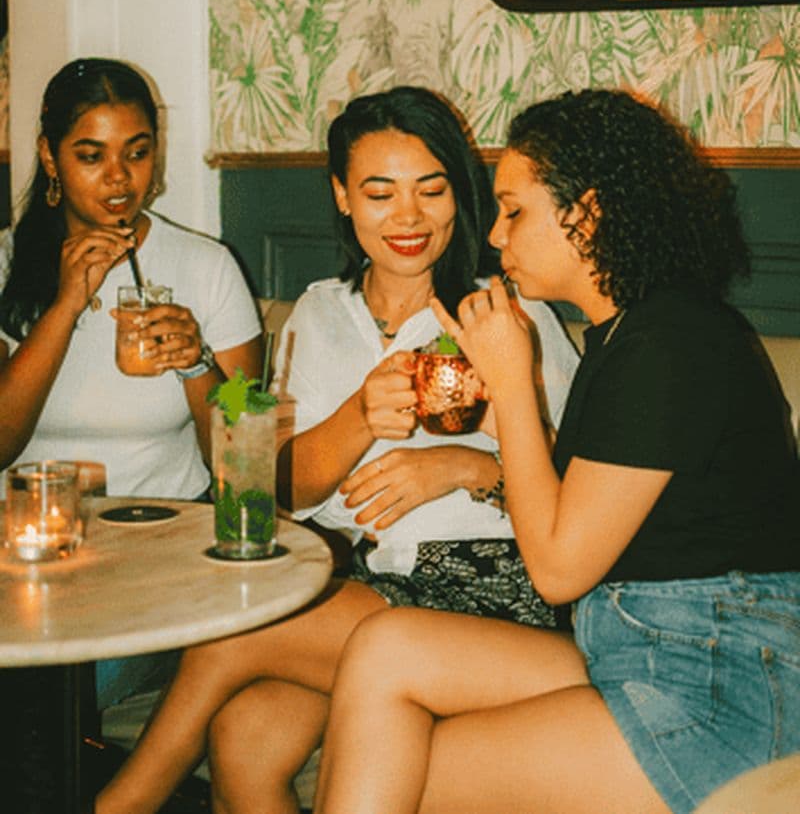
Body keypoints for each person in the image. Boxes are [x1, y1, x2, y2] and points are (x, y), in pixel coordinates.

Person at [313, 88, 800, 814]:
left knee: (414, 775)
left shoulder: (671, 342)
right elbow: (571, 502)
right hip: (634, 645)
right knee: (387, 644)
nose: (497, 237)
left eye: (515, 212)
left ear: (588, 213)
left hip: (721, 679)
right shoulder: (629, 329)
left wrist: (513, 382)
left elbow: (558, 571)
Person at [96, 85, 579, 814]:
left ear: (461, 194)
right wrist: (358, 415)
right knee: (243, 739)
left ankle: (115, 806)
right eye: (380, 193)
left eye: (432, 189)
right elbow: (286, 489)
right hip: (366, 583)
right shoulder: (321, 311)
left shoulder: (509, 309)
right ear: (343, 198)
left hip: (490, 590)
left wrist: (465, 465)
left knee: (237, 628)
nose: (409, 217)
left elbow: (583, 495)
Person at [0, 57, 264, 706]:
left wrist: (199, 362)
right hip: (28, 554)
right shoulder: (8, 261)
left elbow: (245, 452)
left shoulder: (206, 267)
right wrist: (64, 306)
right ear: (50, 157)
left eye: (137, 152)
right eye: (91, 155)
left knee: (71, 692)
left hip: (160, 548)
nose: (119, 178)